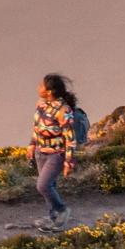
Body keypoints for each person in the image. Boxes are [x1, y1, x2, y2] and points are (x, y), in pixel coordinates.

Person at [29, 73, 82, 232]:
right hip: (40, 152)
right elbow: (37, 126)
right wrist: (32, 145)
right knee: (50, 185)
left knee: (43, 185)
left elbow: (70, 138)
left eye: (41, 85)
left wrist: (69, 161)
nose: (39, 87)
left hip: (56, 154)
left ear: (49, 91)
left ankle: (62, 211)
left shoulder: (63, 110)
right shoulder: (41, 104)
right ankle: (53, 218)